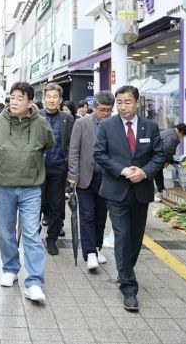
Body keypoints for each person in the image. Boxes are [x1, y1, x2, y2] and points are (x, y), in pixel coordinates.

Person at [0, 81, 54, 303]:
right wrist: (2, 160)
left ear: (30, 102)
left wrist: (32, 161)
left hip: (31, 187)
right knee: (6, 231)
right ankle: (10, 268)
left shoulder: (41, 124)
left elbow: (48, 145)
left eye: (20, 98)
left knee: (31, 233)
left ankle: (34, 282)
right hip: (4, 186)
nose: (14, 102)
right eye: (12, 97)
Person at [94, 85, 164, 312]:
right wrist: (123, 170)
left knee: (135, 238)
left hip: (141, 190)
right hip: (116, 190)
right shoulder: (107, 126)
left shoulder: (150, 126)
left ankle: (125, 271)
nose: (123, 107)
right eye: (119, 102)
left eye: (127, 102)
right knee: (122, 236)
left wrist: (144, 172)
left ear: (137, 102)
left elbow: (159, 155)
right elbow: (99, 154)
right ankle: (129, 288)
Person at [67, 90, 115, 270]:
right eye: (102, 110)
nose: (106, 113)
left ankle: (96, 247)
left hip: (107, 178)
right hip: (86, 177)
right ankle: (89, 253)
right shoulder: (81, 123)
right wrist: (73, 174)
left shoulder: (114, 124)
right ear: (94, 107)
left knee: (101, 216)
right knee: (87, 215)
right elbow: (74, 150)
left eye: (109, 110)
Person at [39, 83, 75, 256]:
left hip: (59, 167)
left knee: (57, 205)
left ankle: (52, 239)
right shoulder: (35, 116)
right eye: (48, 97)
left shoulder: (68, 119)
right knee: (38, 203)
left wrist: (70, 168)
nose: (51, 100)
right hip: (38, 169)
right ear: (44, 99)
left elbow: (71, 145)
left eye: (55, 97)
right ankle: (34, 236)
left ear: (60, 100)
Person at [154, 123, 186, 196]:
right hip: (156, 155)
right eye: (184, 136)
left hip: (155, 154)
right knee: (157, 172)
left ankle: (160, 190)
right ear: (182, 132)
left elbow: (169, 150)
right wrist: (167, 161)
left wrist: (171, 161)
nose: (183, 138)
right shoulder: (173, 137)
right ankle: (160, 191)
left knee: (158, 172)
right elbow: (167, 150)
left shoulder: (170, 131)